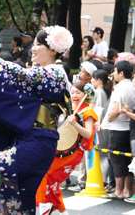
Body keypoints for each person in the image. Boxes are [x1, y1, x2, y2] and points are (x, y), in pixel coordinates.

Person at [0, 24, 73, 214]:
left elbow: (20, 74)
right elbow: (13, 102)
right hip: (31, 140)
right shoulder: (44, 75)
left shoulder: (55, 73)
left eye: (38, 44)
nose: (33, 48)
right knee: (18, 194)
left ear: (53, 50)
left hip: (38, 142)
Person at [36, 81, 97, 214]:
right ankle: (61, 211)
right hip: (62, 150)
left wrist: (75, 124)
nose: (74, 95)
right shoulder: (72, 109)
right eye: (73, 92)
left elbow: (88, 133)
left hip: (74, 152)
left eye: (78, 92)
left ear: (86, 95)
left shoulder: (88, 111)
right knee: (51, 180)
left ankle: (43, 208)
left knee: (44, 174)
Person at [103, 61, 135, 199]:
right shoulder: (132, 86)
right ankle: (127, 191)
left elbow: (116, 110)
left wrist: (108, 119)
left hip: (118, 127)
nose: (113, 74)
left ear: (121, 73)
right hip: (130, 128)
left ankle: (118, 191)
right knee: (128, 159)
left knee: (117, 159)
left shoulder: (120, 88)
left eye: (115, 71)